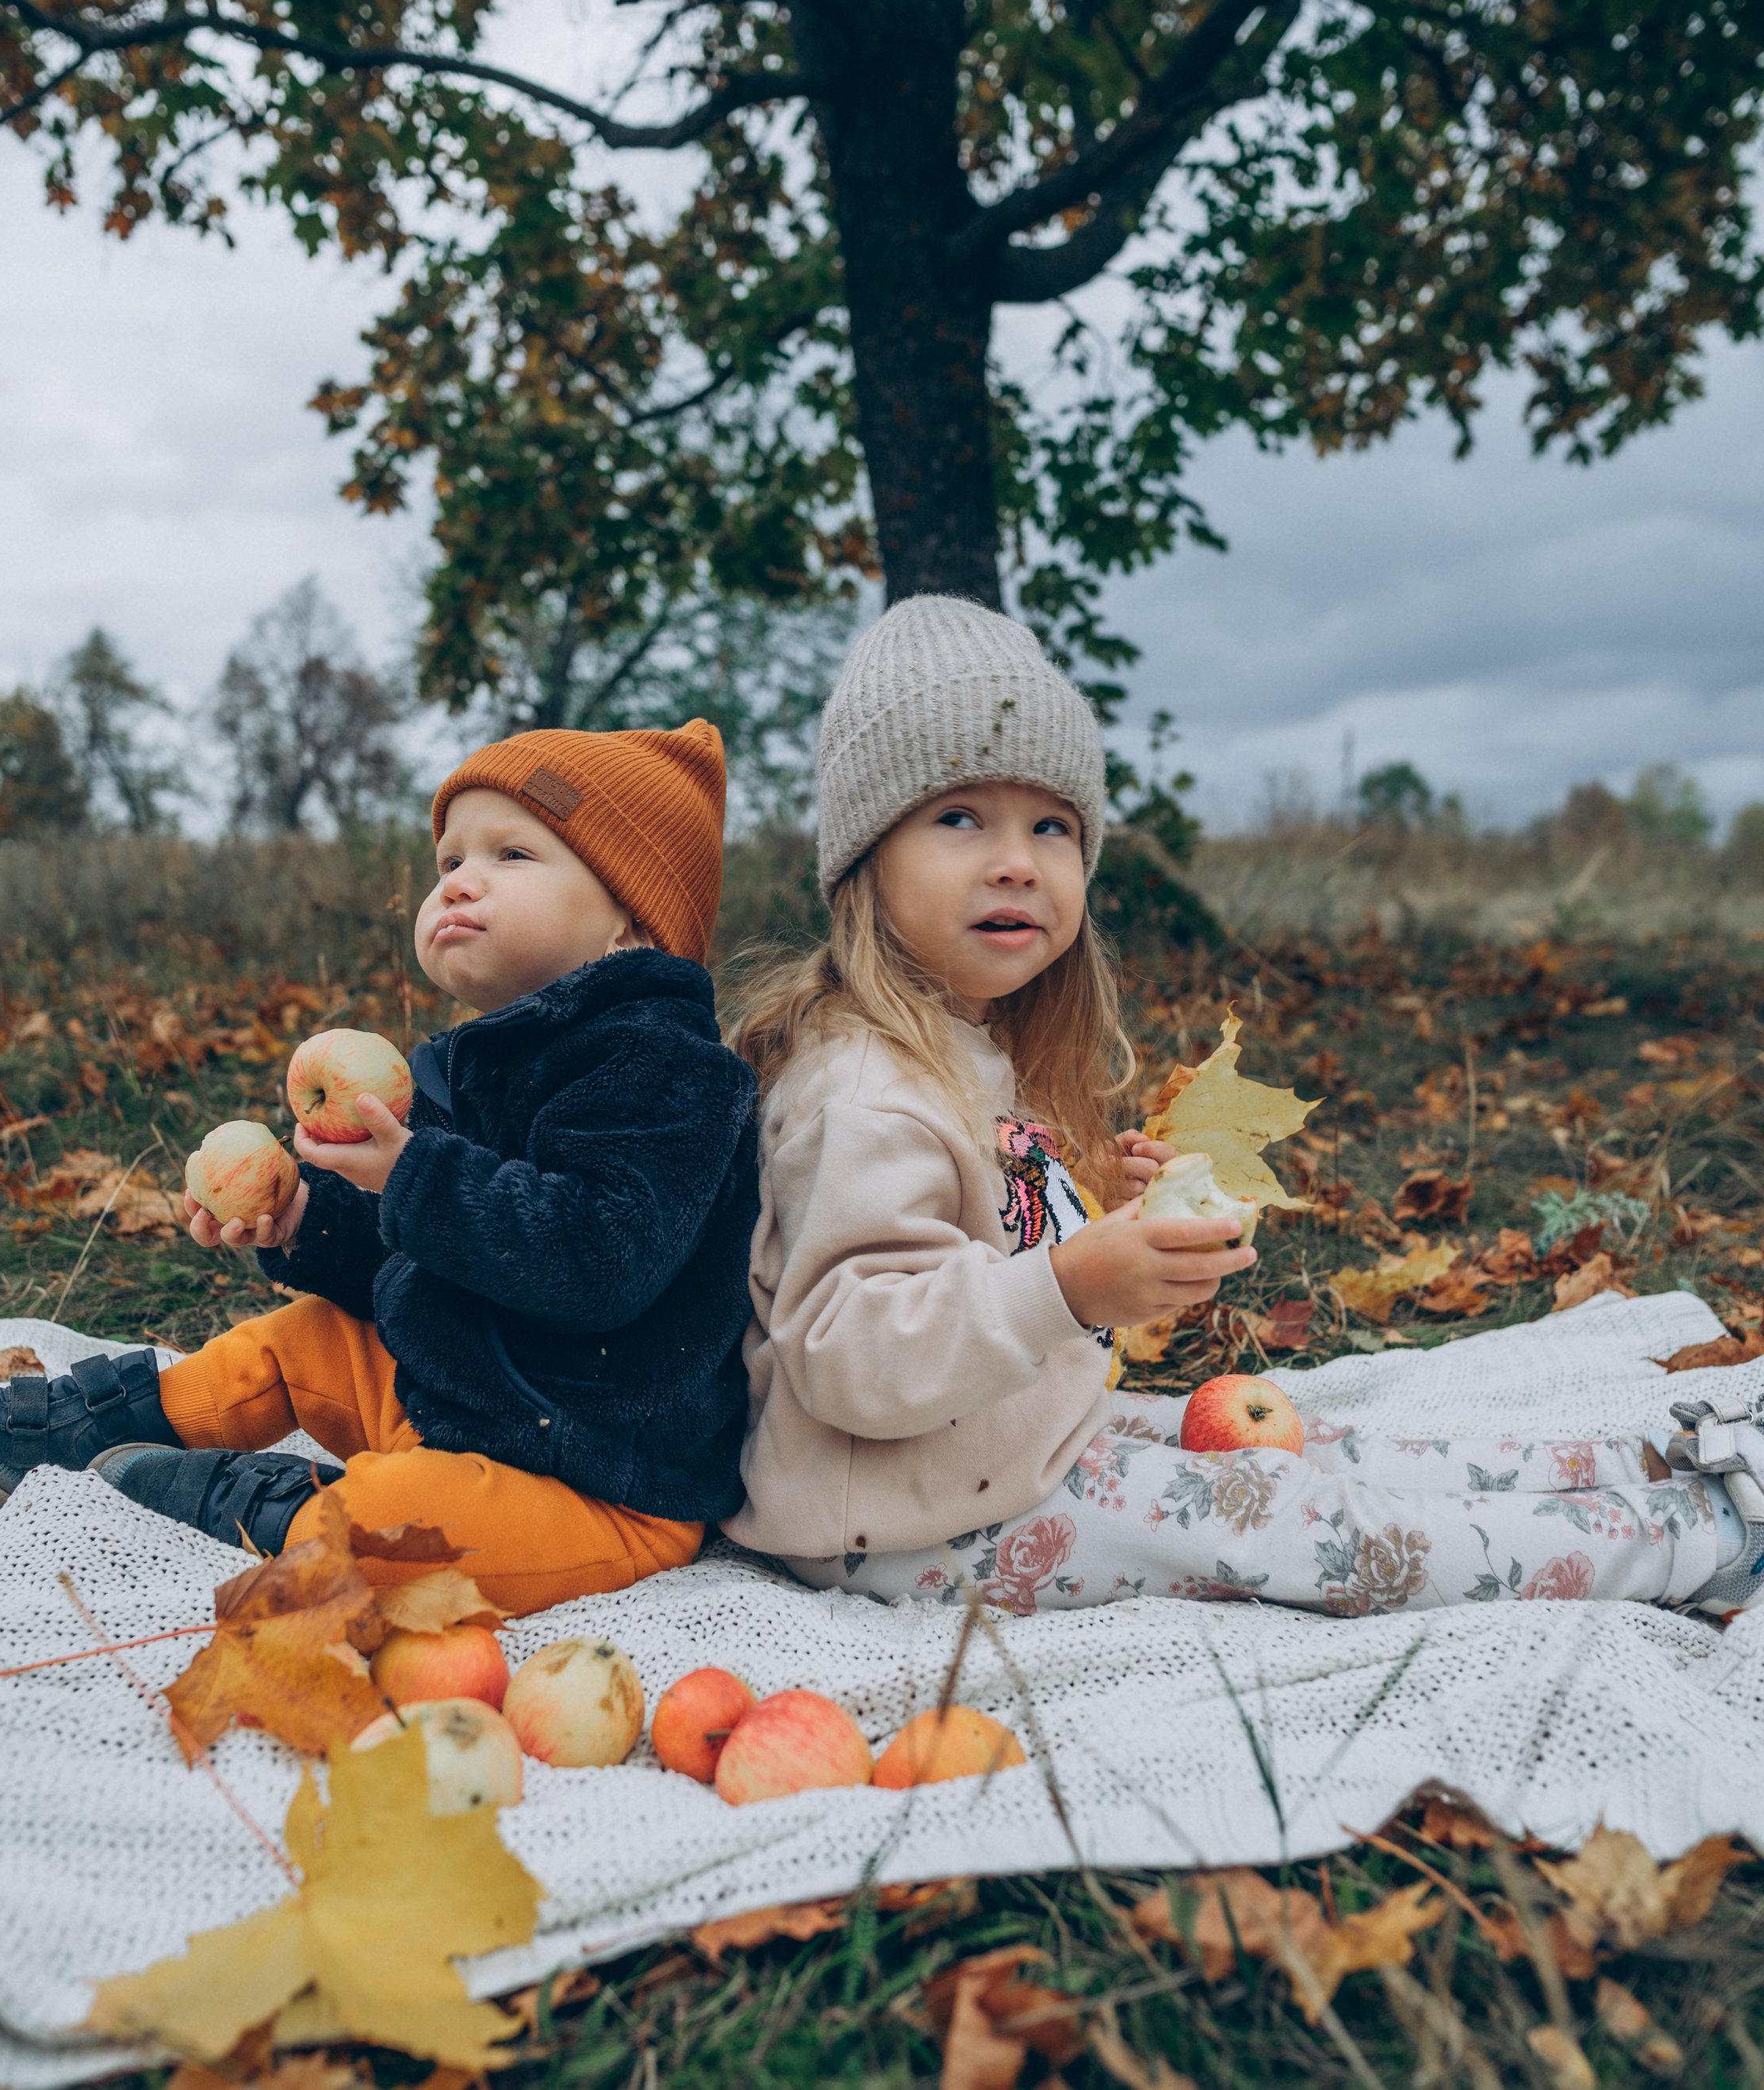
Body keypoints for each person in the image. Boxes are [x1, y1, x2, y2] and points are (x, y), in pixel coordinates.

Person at [720, 597, 1764, 1620]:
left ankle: (1656, 1469)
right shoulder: (858, 1089)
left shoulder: (964, 1044)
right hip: (895, 1526)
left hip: (989, 1449)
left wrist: (1114, 1235)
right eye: (960, 818)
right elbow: (852, 1355)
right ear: (863, 857)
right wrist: (1073, 1284)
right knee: (1277, 1511)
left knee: (1313, 1443)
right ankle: (1699, 1542)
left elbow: (988, 1257)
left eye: (1052, 825)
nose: (1017, 860)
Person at [0, 722, 762, 1617]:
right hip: (461, 1398)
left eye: (511, 853)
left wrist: (412, 1178)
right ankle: (91, 1435)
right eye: (448, 859)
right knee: (303, 1339)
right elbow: (414, 1254)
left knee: (385, 1530)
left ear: (630, 919)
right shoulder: (474, 1062)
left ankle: (273, 1508)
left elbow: (598, 1261)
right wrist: (303, 1217)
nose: (460, 879)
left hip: (595, 1481)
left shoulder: (671, 1071)